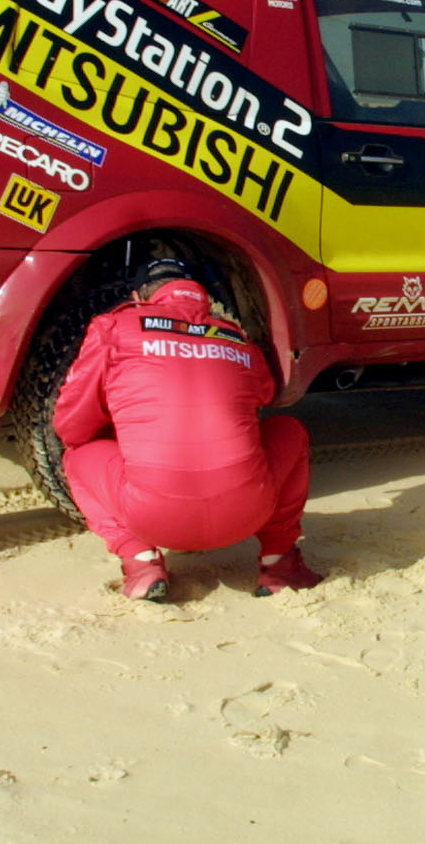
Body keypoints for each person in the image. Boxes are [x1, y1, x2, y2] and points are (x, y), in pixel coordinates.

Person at [53, 257, 318, 601]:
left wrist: (120, 430)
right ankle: (280, 564)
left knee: (77, 456)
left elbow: (71, 424)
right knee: (290, 431)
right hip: (247, 513)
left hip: (153, 519)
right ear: (202, 296)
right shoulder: (234, 335)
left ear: (140, 295)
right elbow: (266, 393)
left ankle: (141, 561)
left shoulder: (114, 327)